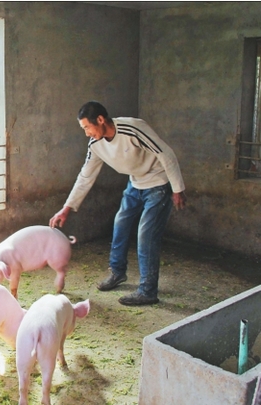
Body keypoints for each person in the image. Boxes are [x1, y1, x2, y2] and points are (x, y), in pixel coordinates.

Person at [49, 101, 187, 306]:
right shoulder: (96, 144)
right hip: (135, 183)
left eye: (87, 127)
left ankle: (148, 290)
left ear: (101, 120)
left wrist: (177, 189)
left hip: (158, 183)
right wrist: (67, 208)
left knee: (146, 234)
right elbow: (86, 176)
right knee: (120, 224)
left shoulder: (133, 128)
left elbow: (165, 153)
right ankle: (117, 272)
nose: (86, 133)